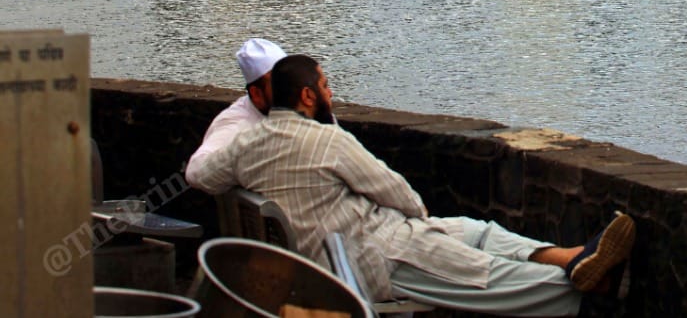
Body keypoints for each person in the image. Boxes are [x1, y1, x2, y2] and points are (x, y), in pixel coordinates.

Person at [191, 56, 634, 316]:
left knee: (476, 232)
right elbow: (396, 191)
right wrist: (418, 223)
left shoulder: (245, 145)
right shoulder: (326, 140)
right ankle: (585, 289)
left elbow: (203, 176)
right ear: (307, 97)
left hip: (344, 247)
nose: (332, 95)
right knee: (484, 274)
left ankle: (574, 258)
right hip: (369, 256)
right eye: (326, 87)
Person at [185, 37, 286, 184]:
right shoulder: (236, 124)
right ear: (257, 94)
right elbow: (195, 171)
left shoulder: (290, 110)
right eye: (281, 84)